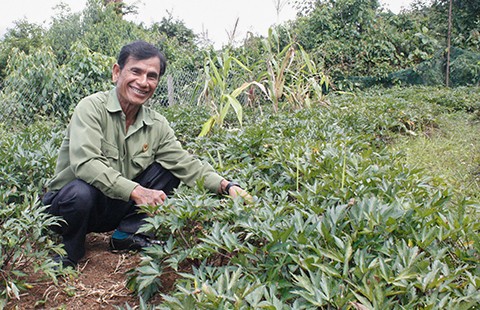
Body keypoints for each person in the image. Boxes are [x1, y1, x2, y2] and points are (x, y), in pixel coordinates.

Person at [42, 40, 250, 269]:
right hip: (69, 208)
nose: (143, 82)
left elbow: (186, 163)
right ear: (117, 72)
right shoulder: (91, 108)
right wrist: (137, 191)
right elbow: (86, 164)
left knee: (169, 170)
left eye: (152, 76)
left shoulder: (156, 124)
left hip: (112, 205)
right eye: (136, 71)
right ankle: (68, 251)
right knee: (80, 192)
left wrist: (227, 186)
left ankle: (125, 235)